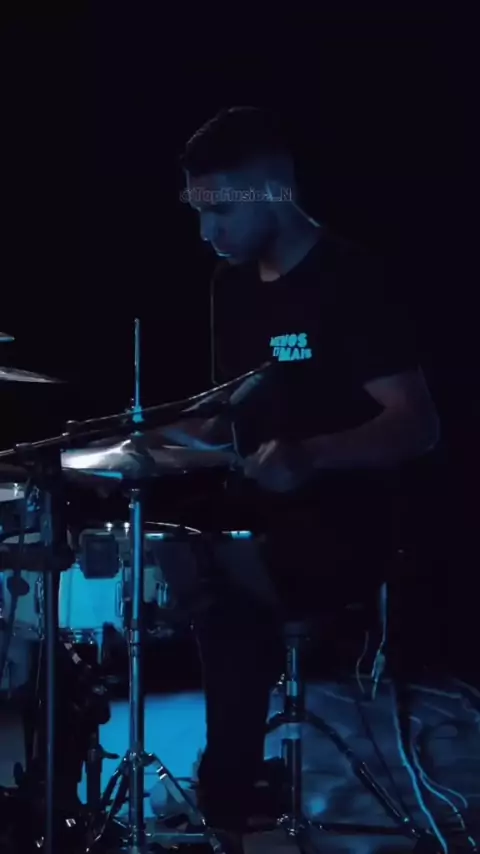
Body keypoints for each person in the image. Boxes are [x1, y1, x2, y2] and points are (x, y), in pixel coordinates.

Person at [154, 107, 440, 843]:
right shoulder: (229, 286)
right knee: (167, 545)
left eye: (219, 210)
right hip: (259, 514)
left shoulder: (353, 278)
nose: (206, 232)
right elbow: (235, 413)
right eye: (198, 212)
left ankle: (229, 798)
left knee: (226, 591)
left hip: (349, 526)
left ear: (273, 192)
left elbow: (416, 424)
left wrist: (312, 455)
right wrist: (163, 444)